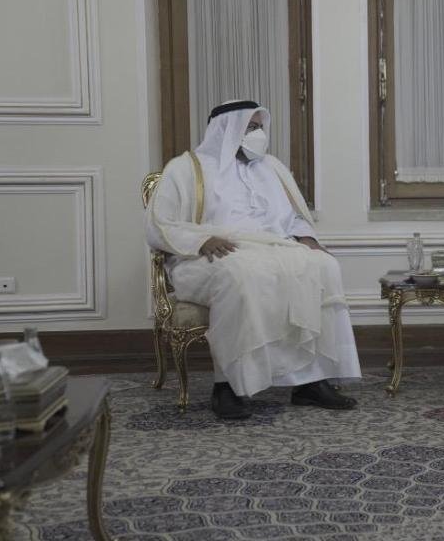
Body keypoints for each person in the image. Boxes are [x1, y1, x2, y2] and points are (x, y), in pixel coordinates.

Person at [145, 100, 362, 419]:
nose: (258, 134)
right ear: (226, 129)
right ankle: (228, 386)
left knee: (325, 266)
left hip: (272, 249)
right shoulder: (186, 168)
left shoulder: (272, 168)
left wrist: (307, 239)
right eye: (250, 127)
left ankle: (311, 381)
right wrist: (201, 240)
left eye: (260, 127)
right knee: (240, 274)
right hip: (207, 257)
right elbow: (159, 224)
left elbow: (294, 217)